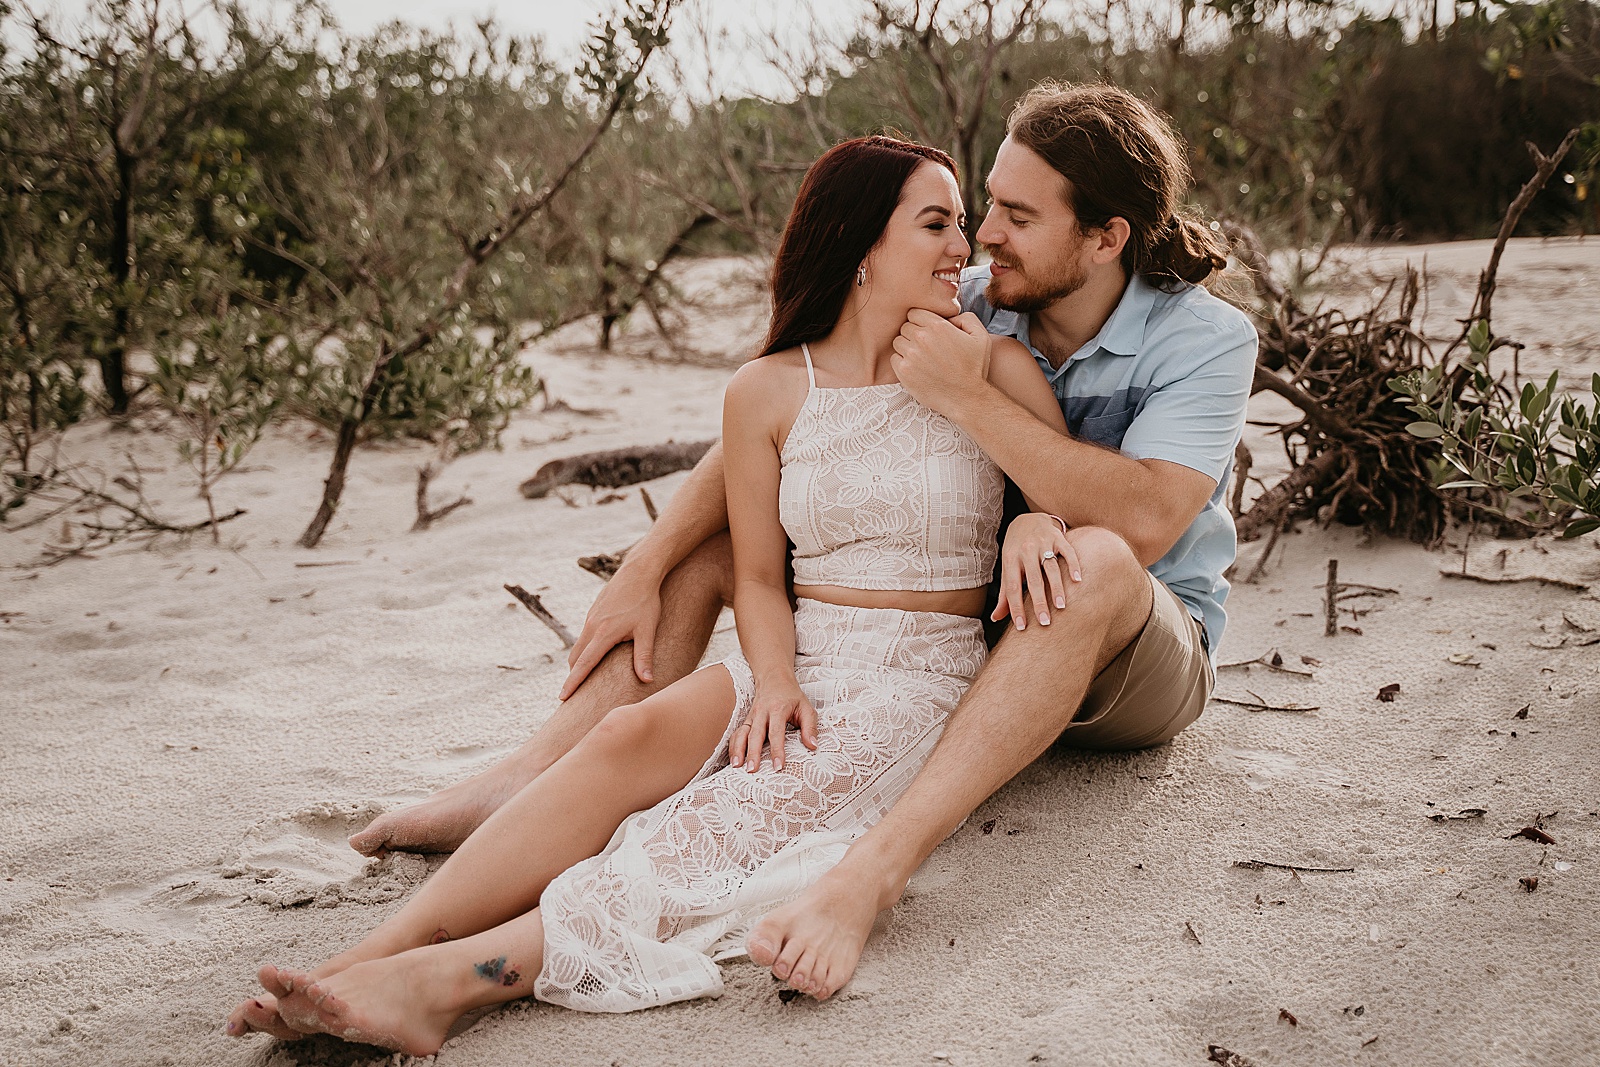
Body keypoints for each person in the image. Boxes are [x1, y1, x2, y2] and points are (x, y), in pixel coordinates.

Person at [325, 79, 1255, 1007]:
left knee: (1090, 561)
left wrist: (1001, 455)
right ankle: (538, 777)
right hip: (986, 602)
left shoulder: (1204, 339)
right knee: (717, 547)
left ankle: (870, 872)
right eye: (982, 209)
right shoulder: (973, 292)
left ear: (1105, 238)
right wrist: (646, 566)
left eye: (1015, 214)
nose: (984, 241)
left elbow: (1140, 523)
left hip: (1128, 644)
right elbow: (784, 429)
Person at [225, 135, 1072, 1053]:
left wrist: (1035, 516)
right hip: (807, 657)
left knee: (708, 822)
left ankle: (448, 984)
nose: (966, 247)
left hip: (918, 679)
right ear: (862, 243)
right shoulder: (767, 390)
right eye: (937, 223)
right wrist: (776, 679)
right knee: (626, 733)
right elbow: (754, 574)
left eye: (961, 224)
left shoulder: (993, 366)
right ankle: (369, 955)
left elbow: (1065, 491)